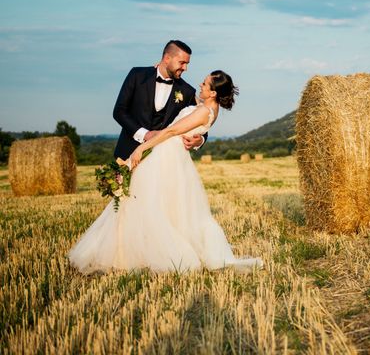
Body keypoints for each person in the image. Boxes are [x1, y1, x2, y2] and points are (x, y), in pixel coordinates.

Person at [68, 70, 263, 273]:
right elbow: (195, 116)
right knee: (158, 204)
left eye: (205, 84)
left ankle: (138, 254)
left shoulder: (204, 111)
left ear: (213, 93)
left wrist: (141, 148)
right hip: (172, 155)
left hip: (166, 155)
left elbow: (171, 131)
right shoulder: (207, 107)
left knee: (143, 202)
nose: (200, 85)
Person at [113, 40, 206, 161]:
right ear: (167, 58)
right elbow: (119, 111)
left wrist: (200, 140)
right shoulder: (137, 75)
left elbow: (201, 119)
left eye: (187, 63)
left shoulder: (187, 91)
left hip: (163, 159)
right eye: (182, 63)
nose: (185, 68)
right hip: (127, 154)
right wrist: (145, 134)